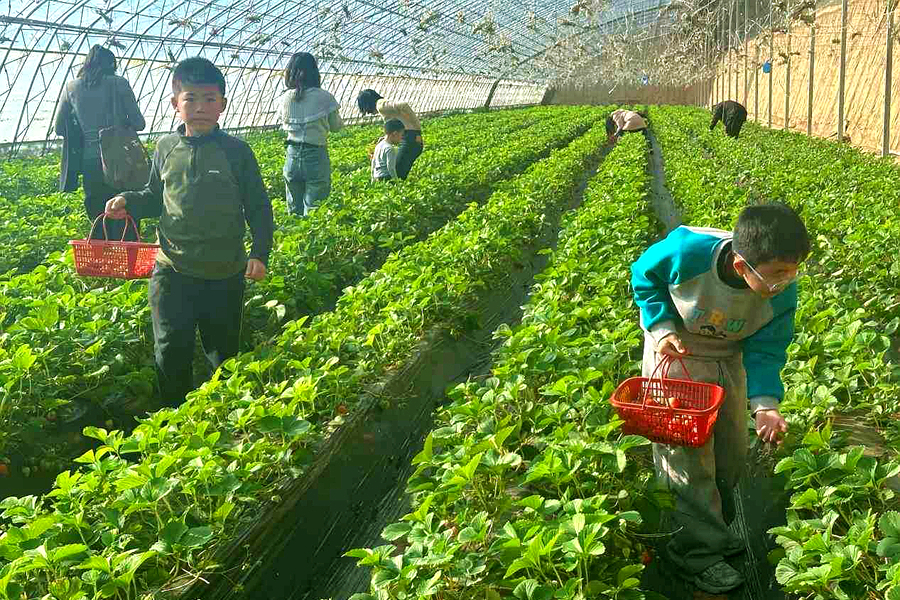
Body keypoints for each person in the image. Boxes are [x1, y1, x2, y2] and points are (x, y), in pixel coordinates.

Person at [630, 203, 809, 594]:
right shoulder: (687, 252)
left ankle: (711, 532)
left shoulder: (780, 294)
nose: (788, 280)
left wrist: (765, 406)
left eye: (794, 269)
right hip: (676, 352)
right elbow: (644, 276)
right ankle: (695, 555)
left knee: (730, 453)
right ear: (742, 266)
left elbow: (767, 349)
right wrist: (661, 327)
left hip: (728, 356)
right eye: (780, 272)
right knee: (687, 458)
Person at [104, 57, 274, 407]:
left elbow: (258, 206)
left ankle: (223, 412)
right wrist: (128, 201)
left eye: (210, 99)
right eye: (191, 98)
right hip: (171, 269)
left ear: (223, 104)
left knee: (222, 351)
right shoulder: (166, 147)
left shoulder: (237, 152)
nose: (200, 107)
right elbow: (155, 195)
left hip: (224, 271)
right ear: (175, 103)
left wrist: (259, 253)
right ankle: (174, 416)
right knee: (170, 347)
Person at [54, 45, 146, 241]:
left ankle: (99, 257)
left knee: (98, 216)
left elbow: (60, 128)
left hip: (91, 162)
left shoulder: (71, 87)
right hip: (122, 161)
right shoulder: (119, 83)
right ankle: (127, 255)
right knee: (126, 214)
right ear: (111, 64)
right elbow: (139, 123)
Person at [277, 52, 342, 216]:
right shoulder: (324, 97)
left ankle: (295, 231)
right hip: (315, 155)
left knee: (294, 209)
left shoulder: (285, 98)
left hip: (291, 155)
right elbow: (336, 127)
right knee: (314, 209)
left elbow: (282, 122)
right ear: (314, 72)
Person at [357, 89, 423, 179]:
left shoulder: (380, 105)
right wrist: (385, 138)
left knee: (396, 173)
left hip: (411, 138)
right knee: (399, 172)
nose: (368, 112)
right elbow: (396, 125)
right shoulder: (382, 107)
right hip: (410, 137)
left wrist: (416, 127)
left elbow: (403, 105)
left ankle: (396, 186)